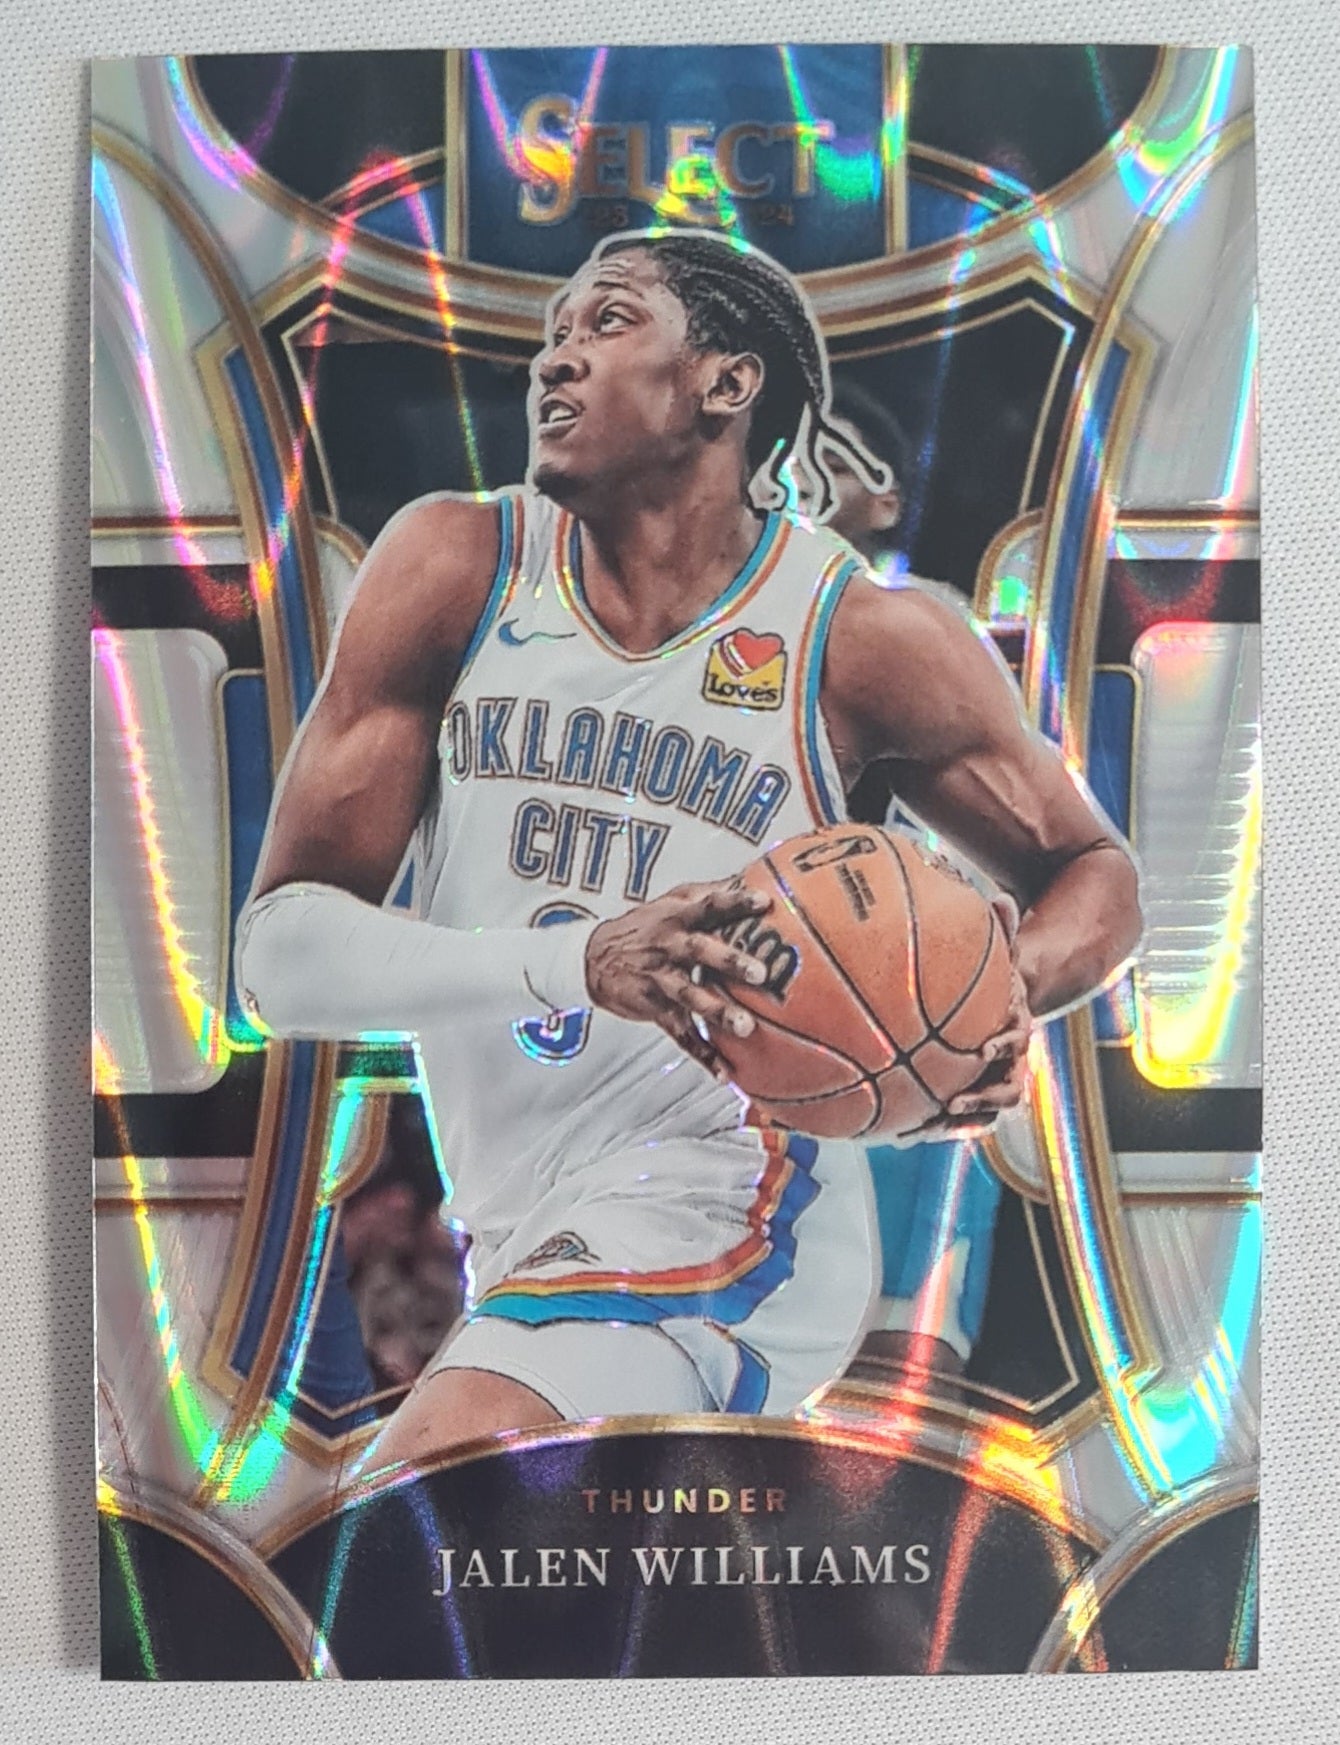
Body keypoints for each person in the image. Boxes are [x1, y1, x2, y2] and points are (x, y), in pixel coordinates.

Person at [236, 229, 1140, 1473]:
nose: (554, 360)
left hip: (743, 1201)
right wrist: (579, 962)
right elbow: (277, 958)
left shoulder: (857, 635)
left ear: (725, 381)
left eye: (605, 322)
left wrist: (989, 1000)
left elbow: (1093, 874)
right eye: (553, 332)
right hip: (519, 1226)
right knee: (522, 1579)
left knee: (413, 1503)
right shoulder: (454, 565)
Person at [815, 377, 1004, 1389]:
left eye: (830, 458)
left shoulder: (934, 624)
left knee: (897, 1375)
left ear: (883, 499)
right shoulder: (695, 624)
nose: (799, 480)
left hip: (909, 1019)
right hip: (749, 1047)